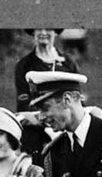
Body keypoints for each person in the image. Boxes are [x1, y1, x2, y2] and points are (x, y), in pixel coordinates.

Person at [14, 29, 78, 159]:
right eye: (39, 28)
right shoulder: (24, 64)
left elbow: (77, 99)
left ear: (55, 32)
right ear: (33, 33)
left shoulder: (68, 63)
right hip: (36, 127)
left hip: (65, 125)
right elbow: (24, 102)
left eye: (48, 28)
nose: (43, 32)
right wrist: (44, 118)